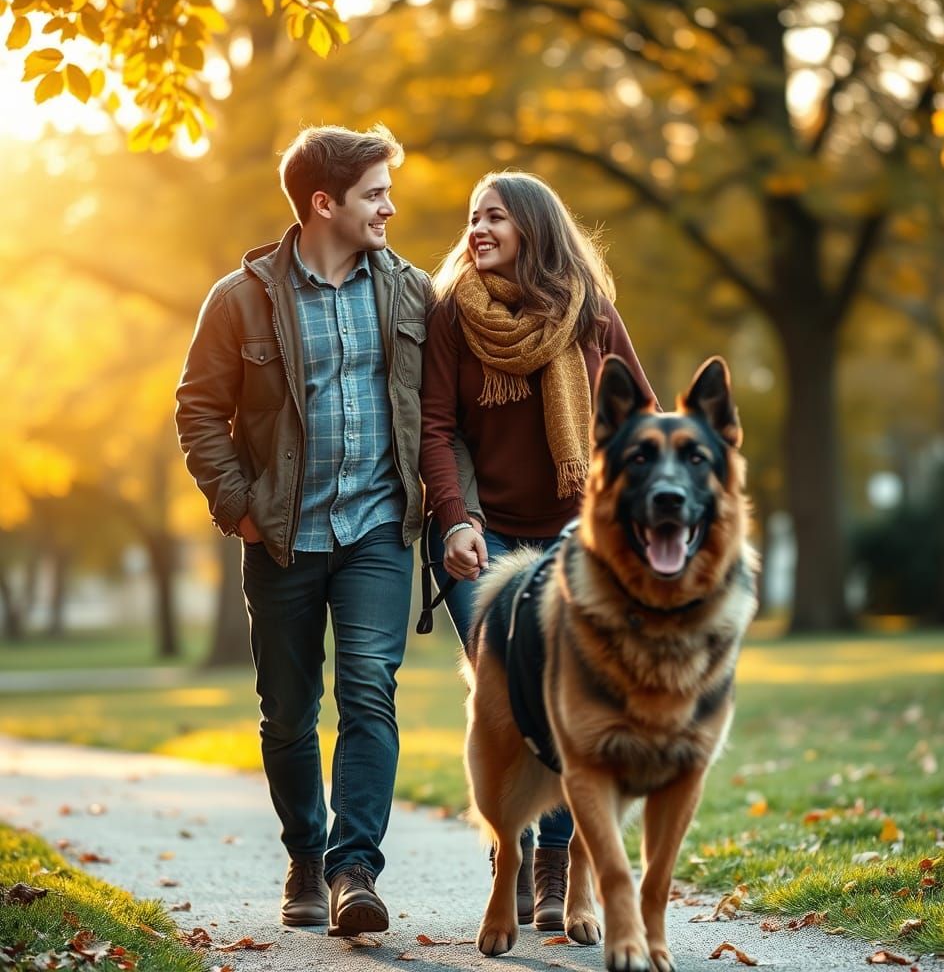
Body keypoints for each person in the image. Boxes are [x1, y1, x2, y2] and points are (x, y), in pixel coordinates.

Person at [175, 124, 478, 938]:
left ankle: (353, 870)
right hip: (282, 538)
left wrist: (456, 516)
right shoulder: (239, 300)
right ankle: (305, 856)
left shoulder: (412, 293)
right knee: (287, 710)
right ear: (324, 203)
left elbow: (442, 420)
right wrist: (237, 505)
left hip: (378, 528)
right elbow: (199, 410)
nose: (390, 206)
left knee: (370, 691)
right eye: (375, 193)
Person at [419, 170, 656, 932]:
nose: (478, 229)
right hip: (479, 538)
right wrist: (456, 519)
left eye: (494, 217)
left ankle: (556, 874)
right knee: (502, 700)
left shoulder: (590, 314)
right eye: (472, 217)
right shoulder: (453, 316)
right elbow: (435, 427)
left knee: (568, 704)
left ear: (534, 227)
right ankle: (509, 851)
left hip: (573, 538)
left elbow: (640, 417)